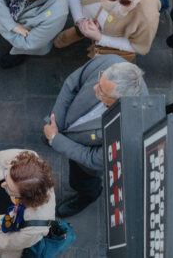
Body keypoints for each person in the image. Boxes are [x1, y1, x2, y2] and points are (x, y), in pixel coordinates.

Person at [43, 57, 146, 217]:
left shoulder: (129, 130)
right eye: (99, 80)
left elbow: (92, 158)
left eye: (101, 91)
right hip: (63, 127)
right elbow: (71, 84)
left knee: (81, 182)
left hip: (85, 164)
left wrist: (56, 139)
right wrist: (56, 123)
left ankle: (87, 197)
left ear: (119, 101)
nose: (94, 87)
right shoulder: (109, 62)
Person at [0, 149, 57, 258]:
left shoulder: (34, 229)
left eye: (9, 189)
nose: (2, 185)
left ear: (25, 199)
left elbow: (6, 242)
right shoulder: (24, 160)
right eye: (6, 176)